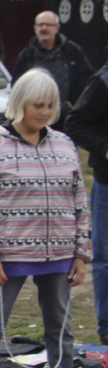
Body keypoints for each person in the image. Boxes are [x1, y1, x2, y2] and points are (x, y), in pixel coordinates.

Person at [0, 69, 90, 368]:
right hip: (7, 258)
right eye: (38, 105)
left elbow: (80, 201)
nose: (45, 112)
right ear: (20, 103)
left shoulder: (65, 145)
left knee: (61, 329)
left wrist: (81, 253)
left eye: (50, 105)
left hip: (60, 255)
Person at [64, 60, 108, 344]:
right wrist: (105, 148)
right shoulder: (104, 81)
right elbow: (75, 122)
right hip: (107, 181)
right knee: (104, 256)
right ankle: (106, 326)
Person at [12, 11, 94, 108]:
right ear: (35, 28)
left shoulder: (72, 51)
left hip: (67, 114)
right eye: (40, 25)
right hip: (37, 113)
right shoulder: (26, 55)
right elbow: (17, 85)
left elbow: (86, 79)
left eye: (48, 25)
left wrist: (73, 104)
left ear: (57, 28)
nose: (44, 28)